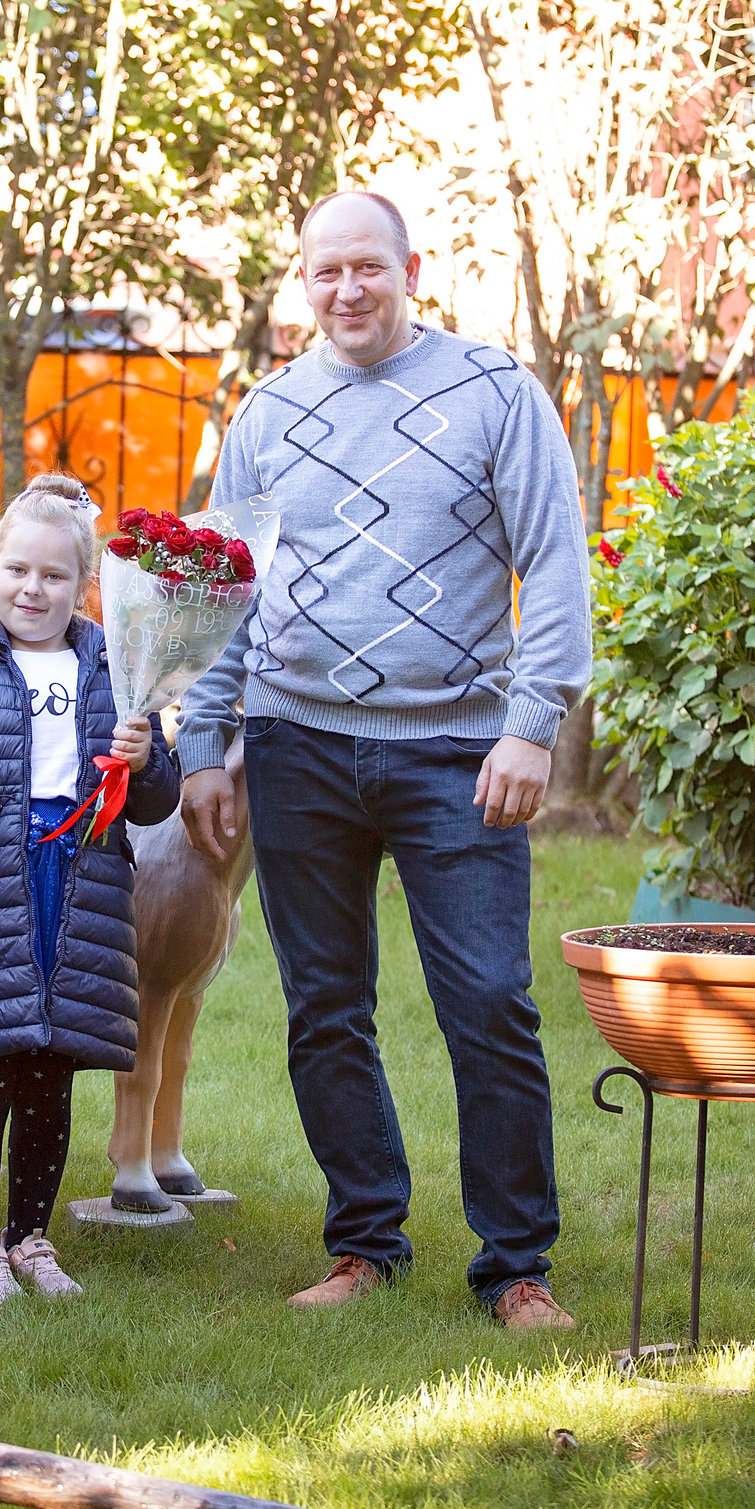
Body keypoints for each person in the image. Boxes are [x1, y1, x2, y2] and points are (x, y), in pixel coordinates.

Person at [177, 189, 590, 1329]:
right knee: (324, 1005)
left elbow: (553, 561)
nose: (348, 290)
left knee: (491, 1000)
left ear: (412, 268)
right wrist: (205, 740)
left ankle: (515, 1265)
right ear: (300, 283)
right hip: (296, 744)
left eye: (368, 267)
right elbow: (223, 581)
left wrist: (531, 721)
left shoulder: (494, 391)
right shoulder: (266, 413)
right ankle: (365, 1244)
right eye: (325, 273)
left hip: (456, 747)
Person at [0, 475, 179, 1303]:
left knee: (52, 1077)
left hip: (79, 889)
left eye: (54, 575)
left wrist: (146, 755)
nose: (33, 588)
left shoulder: (121, 675)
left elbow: (157, 802)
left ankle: (31, 1240)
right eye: (18, 570)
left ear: (83, 583)